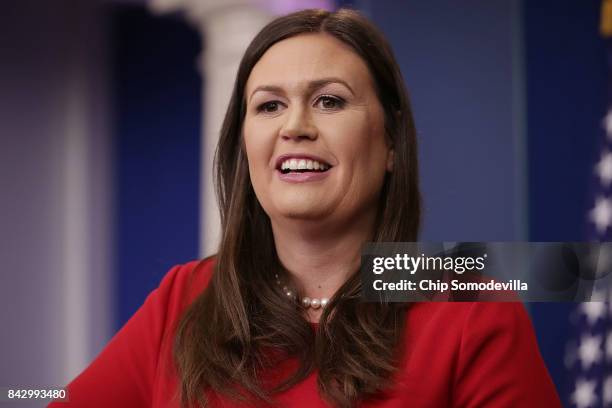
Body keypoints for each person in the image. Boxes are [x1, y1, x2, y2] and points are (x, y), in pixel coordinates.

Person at [50, 8, 561, 408]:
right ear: (244, 144)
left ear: (390, 145)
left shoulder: (468, 303)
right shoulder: (183, 297)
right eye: (269, 105)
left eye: (330, 101)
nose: (294, 126)